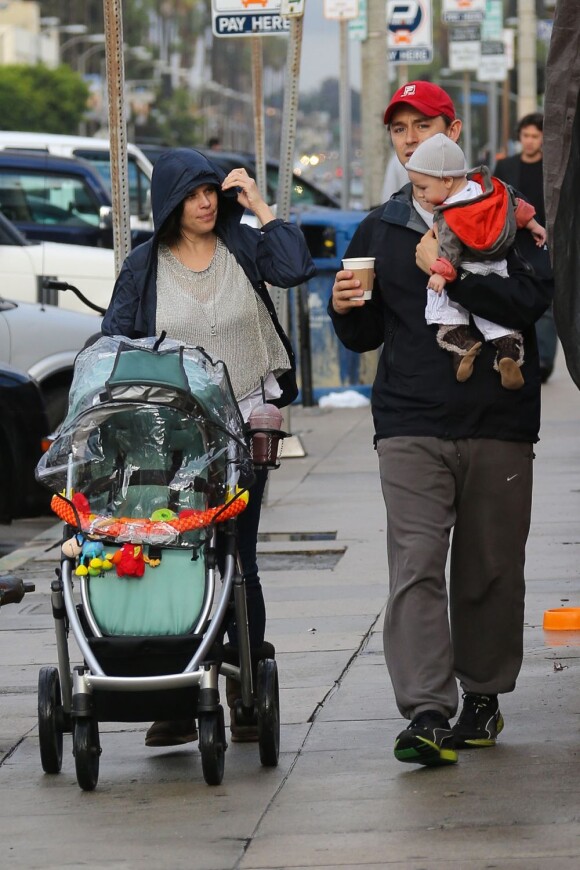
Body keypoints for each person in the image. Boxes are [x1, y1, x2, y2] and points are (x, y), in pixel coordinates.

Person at [328, 81, 551, 767]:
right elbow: (369, 335)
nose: (409, 139)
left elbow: (531, 296)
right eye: (398, 129)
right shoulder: (380, 227)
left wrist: (452, 277)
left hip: (498, 421)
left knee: (489, 570)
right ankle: (427, 711)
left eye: (421, 125)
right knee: (416, 566)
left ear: (451, 128)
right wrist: (345, 309)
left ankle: (481, 698)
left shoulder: (507, 214)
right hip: (410, 423)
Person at [101, 147, 315, 745]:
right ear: (170, 201)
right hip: (170, 438)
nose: (205, 201)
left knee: (237, 557)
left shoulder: (243, 245)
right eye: (194, 192)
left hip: (248, 423)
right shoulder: (144, 266)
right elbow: (114, 341)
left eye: (212, 191)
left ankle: (246, 688)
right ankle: (176, 694)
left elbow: (296, 269)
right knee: (177, 553)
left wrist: (260, 205)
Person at [405, 133, 546, 390]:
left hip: (466, 266)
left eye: (423, 188)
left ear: (447, 181)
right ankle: (508, 352)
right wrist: (534, 224)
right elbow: (513, 207)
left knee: (444, 306)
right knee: (496, 316)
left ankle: (462, 345)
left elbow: (448, 252)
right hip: (498, 265)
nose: (420, 195)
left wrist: (439, 273)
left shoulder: (449, 214)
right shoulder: (487, 190)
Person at [494, 114, 557, 383]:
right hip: (513, 244)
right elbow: (494, 201)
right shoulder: (505, 166)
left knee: (546, 304)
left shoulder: (552, 168)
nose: (529, 141)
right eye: (525, 136)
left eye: (535, 136)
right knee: (515, 298)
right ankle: (516, 353)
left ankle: (543, 360)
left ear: (543, 138)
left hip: (546, 244)